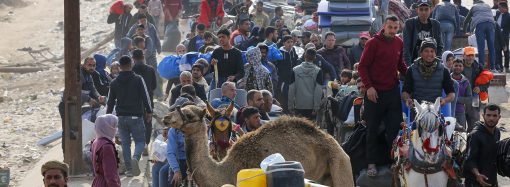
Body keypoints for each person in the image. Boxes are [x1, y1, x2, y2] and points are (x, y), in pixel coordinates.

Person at [358, 15, 407, 176]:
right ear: (384, 27)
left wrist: (412, 74)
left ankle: (393, 161)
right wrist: (369, 87)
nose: (393, 31)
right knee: (372, 128)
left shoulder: (399, 42)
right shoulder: (373, 43)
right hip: (374, 93)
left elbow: (400, 65)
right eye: (390, 27)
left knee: (395, 129)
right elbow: (362, 67)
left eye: (395, 28)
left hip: (392, 91)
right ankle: (371, 163)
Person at [107, 56, 153, 177]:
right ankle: (136, 159)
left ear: (120, 66)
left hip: (121, 117)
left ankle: (129, 170)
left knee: (125, 143)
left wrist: (107, 116)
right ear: (131, 64)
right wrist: (149, 111)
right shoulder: (138, 79)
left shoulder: (114, 82)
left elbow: (110, 102)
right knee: (140, 141)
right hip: (136, 117)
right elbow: (145, 96)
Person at [58, 57, 106, 152]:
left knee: (77, 130)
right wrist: (88, 99)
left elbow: (93, 90)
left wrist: (99, 97)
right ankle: (66, 154)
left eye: (94, 65)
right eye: (89, 65)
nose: (92, 67)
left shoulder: (89, 75)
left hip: (76, 106)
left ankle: (76, 152)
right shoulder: (79, 75)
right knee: (69, 131)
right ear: (84, 65)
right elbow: (75, 91)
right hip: (67, 106)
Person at [402, 38, 456, 118]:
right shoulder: (411, 70)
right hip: (417, 112)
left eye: (432, 51)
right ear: (421, 53)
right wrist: (407, 99)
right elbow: (405, 92)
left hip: (435, 112)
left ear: (435, 53)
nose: (429, 54)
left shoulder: (443, 70)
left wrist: (445, 100)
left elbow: (451, 94)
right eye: (426, 51)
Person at [463, 104, 501, 187]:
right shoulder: (475, 135)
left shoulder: (497, 132)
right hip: (475, 181)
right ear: (483, 116)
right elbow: (470, 160)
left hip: (491, 179)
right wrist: (478, 175)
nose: (491, 118)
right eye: (488, 115)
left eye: (494, 115)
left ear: (499, 117)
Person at [131, 49, 157, 153]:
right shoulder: (150, 69)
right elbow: (154, 86)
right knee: (148, 122)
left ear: (133, 59)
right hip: (148, 101)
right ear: (143, 57)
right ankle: (146, 144)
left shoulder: (131, 70)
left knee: (137, 123)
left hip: (135, 102)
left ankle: (139, 144)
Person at [403, 0, 443, 66]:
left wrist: (437, 63)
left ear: (431, 10)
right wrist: (409, 66)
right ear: (417, 10)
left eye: (426, 9)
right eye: (421, 9)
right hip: (414, 63)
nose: (424, 12)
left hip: (431, 63)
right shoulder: (409, 24)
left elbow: (439, 46)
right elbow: (406, 47)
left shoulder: (436, 24)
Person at [288, 48, 324, 119]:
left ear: (304, 56)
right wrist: (316, 107)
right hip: (311, 106)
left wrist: (290, 106)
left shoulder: (295, 70)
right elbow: (318, 90)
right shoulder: (318, 71)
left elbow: (291, 88)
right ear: (315, 58)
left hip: (298, 105)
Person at [463, 0, 497, 72]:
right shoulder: (487, 6)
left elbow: (466, 20)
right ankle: (493, 68)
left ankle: (481, 67)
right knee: (491, 47)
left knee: (481, 47)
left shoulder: (474, 7)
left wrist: (464, 31)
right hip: (491, 24)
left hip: (480, 24)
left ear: (475, 2)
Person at [91, 114, 121, 187]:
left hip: (97, 182)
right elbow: (110, 175)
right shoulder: (107, 146)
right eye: (114, 126)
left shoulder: (96, 142)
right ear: (108, 127)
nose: (115, 129)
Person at [276, 35, 299, 112]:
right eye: (288, 42)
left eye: (291, 42)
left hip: (293, 78)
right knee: (284, 95)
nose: (290, 44)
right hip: (284, 79)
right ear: (284, 43)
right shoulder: (280, 53)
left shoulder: (293, 51)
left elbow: (296, 62)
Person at [462, 46, 483, 132]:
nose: (470, 57)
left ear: (474, 56)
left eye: (472, 55)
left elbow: (487, 81)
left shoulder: (479, 67)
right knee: (460, 127)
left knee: (474, 125)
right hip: (462, 98)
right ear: (464, 56)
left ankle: (472, 144)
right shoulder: (458, 66)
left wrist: (480, 88)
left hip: (474, 98)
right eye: (468, 55)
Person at [451, 59, 472, 131]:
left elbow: (469, 98)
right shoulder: (447, 80)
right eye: (456, 65)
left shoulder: (466, 82)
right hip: (449, 111)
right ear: (452, 66)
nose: (458, 67)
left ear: (463, 68)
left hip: (460, 112)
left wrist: (455, 99)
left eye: (460, 66)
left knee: (461, 134)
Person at [495, 1, 510, 71]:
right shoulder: (498, 14)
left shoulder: (508, 16)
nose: (498, 9)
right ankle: (500, 67)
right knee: (498, 52)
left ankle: (506, 66)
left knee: (506, 52)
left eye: (499, 7)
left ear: (505, 8)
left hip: (505, 37)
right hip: (497, 36)